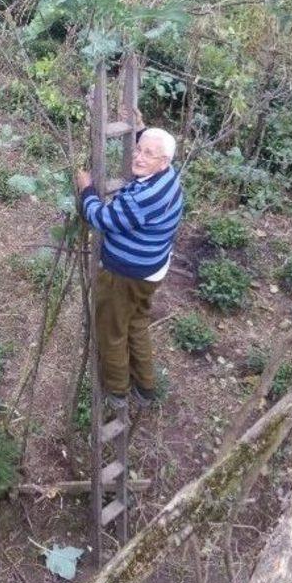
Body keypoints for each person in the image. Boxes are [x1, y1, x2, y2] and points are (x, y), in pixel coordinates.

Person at [76, 113, 183, 408]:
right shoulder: (169, 176)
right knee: (136, 322)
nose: (137, 157)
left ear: (162, 161)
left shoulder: (144, 196)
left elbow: (102, 218)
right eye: (138, 149)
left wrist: (86, 189)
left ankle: (118, 391)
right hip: (152, 269)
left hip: (126, 274)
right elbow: (153, 150)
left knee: (111, 329)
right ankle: (146, 387)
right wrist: (141, 131)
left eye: (147, 153)